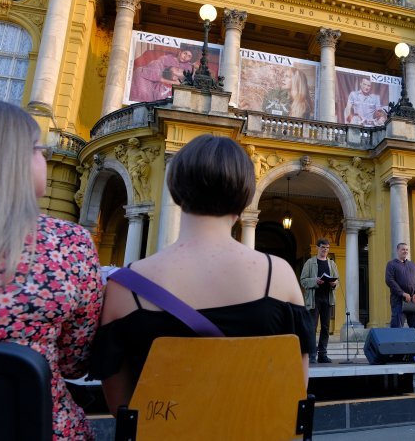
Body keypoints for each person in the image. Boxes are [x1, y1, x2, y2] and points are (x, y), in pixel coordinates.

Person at [89, 135, 313, 413]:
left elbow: (122, 409)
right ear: (245, 196)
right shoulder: (278, 276)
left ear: (176, 189)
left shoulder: (125, 287)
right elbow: (295, 391)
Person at [0, 100, 103, 439]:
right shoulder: (68, 244)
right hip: (36, 426)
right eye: (39, 150)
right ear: (14, 161)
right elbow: (74, 361)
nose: (47, 158)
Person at [299, 239, 339, 363]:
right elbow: (303, 280)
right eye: (323, 247)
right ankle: (311, 354)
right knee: (312, 327)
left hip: (327, 298)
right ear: (317, 248)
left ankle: (322, 354)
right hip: (314, 298)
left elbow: (337, 281)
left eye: (327, 248)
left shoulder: (332, 264)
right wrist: (314, 281)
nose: (325, 250)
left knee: (326, 328)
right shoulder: (310, 263)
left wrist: (334, 283)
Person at [128, 45, 199, 103]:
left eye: (189, 56)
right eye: (185, 53)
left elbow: (188, 81)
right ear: (180, 52)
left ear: (190, 59)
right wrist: (162, 78)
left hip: (175, 87)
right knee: (140, 71)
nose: (185, 57)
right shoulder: (167, 58)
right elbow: (156, 66)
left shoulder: (189, 67)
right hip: (157, 79)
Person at [385, 243, 415, 335]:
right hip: (398, 301)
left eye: (406, 249)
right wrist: (402, 293)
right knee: (397, 327)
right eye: (403, 249)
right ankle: (396, 348)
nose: (405, 251)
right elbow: (389, 280)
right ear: (397, 251)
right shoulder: (391, 264)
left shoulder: (413, 265)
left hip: (413, 301)